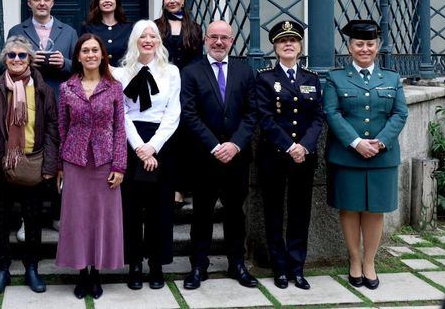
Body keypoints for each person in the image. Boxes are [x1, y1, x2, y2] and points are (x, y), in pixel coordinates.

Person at [324, 19, 408, 290]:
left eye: (370, 44)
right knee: (350, 209)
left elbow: (400, 113)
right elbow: (332, 113)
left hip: (382, 157)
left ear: (377, 46)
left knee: (375, 210)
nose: (364, 49)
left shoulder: (392, 78)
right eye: (359, 44)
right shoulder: (335, 78)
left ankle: (370, 262)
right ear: (350, 47)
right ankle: (355, 260)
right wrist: (356, 141)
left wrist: (380, 142)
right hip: (347, 155)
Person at [180, 20, 258, 290]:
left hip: (237, 157)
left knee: (235, 212)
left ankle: (237, 264)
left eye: (224, 38)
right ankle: (198, 266)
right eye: (213, 37)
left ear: (232, 41)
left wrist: (235, 145)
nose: (218, 42)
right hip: (204, 157)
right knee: (201, 213)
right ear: (205, 40)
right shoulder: (191, 73)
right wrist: (215, 146)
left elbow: (252, 113)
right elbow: (189, 114)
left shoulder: (246, 72)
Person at [0, 36, 59, 295]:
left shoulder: (43, 90)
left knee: (33, 219)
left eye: (22, 55)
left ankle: (32, 268)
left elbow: (51, 129)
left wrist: (50, 164)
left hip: (33, 163)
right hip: (2, 165)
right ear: (5, 59)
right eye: (11, 55)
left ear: (30, 59)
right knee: (0, 220)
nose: (16, 59)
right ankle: (2, 269)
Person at [56, 33, 127, 299]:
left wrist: (119, 166)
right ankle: (81, 273)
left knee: (100, 218)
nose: (90, 55)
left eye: (95, 50)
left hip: (104, 160)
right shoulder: (67, 88)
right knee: (77, 219)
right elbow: (62, 127)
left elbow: (120, 129)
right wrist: (61, 165)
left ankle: (96, 272)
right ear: (78, 56)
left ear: (102, 55)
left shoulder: (114, 87)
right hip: (75, 161)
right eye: (85, 50)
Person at [112, 20, 181, 290]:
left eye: (153, 35)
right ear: (135, 40)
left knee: (159, 208)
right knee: (131, 208)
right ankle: (135, 265)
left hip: (161, 143)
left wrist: (153, 146)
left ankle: (156, 264)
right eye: (143, 35)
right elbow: (122, 113)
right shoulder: (121, 73)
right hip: (131, 142)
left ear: (158, 40)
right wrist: (140, 147)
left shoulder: (171, 72)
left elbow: (173, 113)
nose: (148, 40)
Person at [256, 21, 324, 290]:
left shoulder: (311, 79)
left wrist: (303, 147)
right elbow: (265, 118)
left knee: (300, 212)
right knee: (274, 212)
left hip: (304, 159)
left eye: (293, 41)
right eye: (283, 41)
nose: (288, 44)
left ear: (300, 46)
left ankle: (297, 266)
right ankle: (279, 267)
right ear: (275, 47)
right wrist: (289, 146)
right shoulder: (264, 78)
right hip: (274, 156)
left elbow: (318, 118)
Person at [7, 0, 77, 233]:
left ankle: (59, 213)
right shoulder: (17, 30)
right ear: (29, 3)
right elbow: (6, 63)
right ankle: (28, 218)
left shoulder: (68, 31)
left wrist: (65, 62)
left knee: (60, 157)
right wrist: (27, 62)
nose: (42, 3)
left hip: (60, 100)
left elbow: (81, 67)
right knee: (32, 155)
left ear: (52, 3)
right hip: (27, 102)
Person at [155, 0, 204, 208]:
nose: (172, 0)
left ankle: (181, 188)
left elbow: (196, 60)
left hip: (186, 88)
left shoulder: (194, 28)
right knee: (166, 137)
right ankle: (166, 185)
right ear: (163, 2)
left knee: (185, 137)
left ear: (183, 0)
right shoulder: (155, 27)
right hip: (162, 88)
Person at [81, 0, 132, 67]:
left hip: (123, 75)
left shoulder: (129, 28)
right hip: (97, 75)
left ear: (116, 1)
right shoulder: (88, 28)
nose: (107, 1)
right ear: (97, 2)